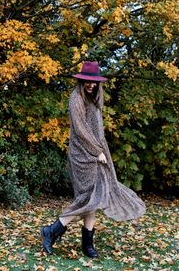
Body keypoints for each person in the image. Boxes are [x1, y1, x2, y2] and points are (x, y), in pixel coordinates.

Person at [41, 61, 146, 258]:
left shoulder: (92, 99)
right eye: (87, 81)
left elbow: (96, 130)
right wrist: (97, 151)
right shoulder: (76, 99)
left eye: (94, 82)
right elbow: (80, 130)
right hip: (83, 156)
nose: (91, 85)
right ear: (81, 81)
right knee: (87, 198)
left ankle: (87, 244)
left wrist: (101, 151)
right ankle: (52, 230)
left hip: (96, 154)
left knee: (94, 198)